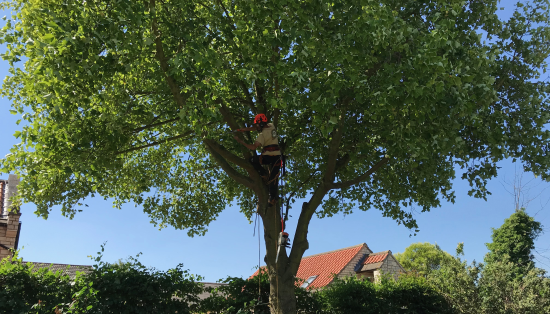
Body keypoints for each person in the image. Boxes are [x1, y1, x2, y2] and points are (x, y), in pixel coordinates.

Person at [234, 113, 281, 206]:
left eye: (257, 124)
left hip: (268, 157)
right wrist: (244, 129)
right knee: (273, 178)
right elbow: (255, 128)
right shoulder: (271, 125)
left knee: (253, 160)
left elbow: (253, 147)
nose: (256, 127)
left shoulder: (262, 135)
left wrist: (241, 141)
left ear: (261, 124)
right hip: (277, 157)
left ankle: (263, 173)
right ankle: (272, 198)